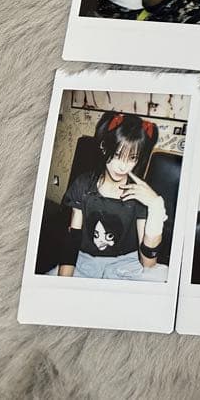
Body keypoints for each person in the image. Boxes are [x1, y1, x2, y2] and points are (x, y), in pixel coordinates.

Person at [52, 112, 169, 281]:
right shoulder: (83, 185)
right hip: (85, 262)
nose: (123, 167)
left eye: (132, 158)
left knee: (161, 276)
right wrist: (62, 284)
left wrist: (156, 208)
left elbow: (148, 264)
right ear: (104, 147)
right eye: (117, 155)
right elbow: (72, 242)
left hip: (126, 264)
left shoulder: (139, 194)